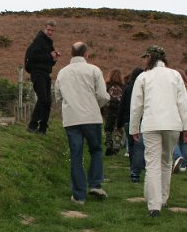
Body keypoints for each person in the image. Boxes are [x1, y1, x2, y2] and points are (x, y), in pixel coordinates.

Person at [129, 46, 187, 217]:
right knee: (166, 161)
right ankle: (163, 199)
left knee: (152, 164)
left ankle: (154, 205)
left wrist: (134, 127)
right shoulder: (175, 76)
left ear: (150, 57)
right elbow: (182, 103)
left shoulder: (143, 77)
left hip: (151, 124)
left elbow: (137, 106)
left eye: (145, 58)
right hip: (172, 124)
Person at [54, 41, 110, 204]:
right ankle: (95, 184)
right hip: (91, 117)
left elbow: (57, 96)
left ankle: (79, 195)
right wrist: (94, 105)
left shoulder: (63, 73)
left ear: (71, 54)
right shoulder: (94, 70)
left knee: (76, 156)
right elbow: (103, 95)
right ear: (86, 54)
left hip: (71, 119)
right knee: (96, 150)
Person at [24, 20, 60, 134]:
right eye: (48, 29)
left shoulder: (49, 43)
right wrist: (49, 55)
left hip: (45, 74)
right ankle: (32, 125)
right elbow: (34, 56)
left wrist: (54, 59)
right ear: (45, 29)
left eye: (52, 30)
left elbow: (48, 61)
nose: (50, 32)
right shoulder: (39, 40)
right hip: (37, 73)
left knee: (48, 101)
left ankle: (43, 128)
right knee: (43, 99)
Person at [117, 67, 145, 182]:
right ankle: (136, 171)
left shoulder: (128, 88)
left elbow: (122, 106)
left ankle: (133, 168)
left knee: (132, 145)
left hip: (128, 120)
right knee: (139, 146)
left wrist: (118, 124)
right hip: (141, 120)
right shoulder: (144, 88)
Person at [103, 69, 124, 156]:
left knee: (108, 127)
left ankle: (108, 144)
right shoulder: (123, 87)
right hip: (119, 109)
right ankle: (116, 145)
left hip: (108, 109)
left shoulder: (107, 85)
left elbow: (103, 96)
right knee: (118, 127)